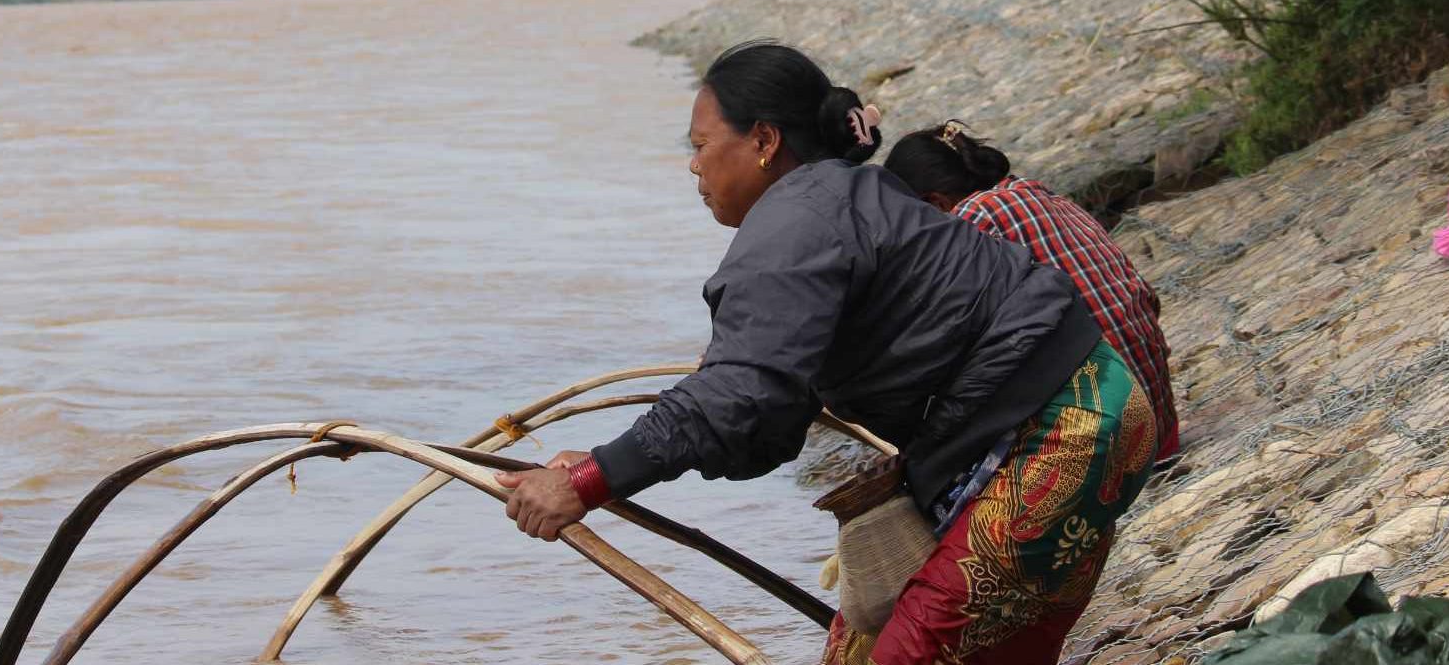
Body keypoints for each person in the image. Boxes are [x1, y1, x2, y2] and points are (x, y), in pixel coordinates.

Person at [496, 42, 1167, 665]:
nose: (693, 164)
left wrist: (588, 482)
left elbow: (738, 395)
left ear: (763, 139)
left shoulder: (797, 219)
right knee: (863, 648)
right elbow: (766, 419)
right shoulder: (840, 195)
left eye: (701, 144)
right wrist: (607, 462)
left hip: (1061, 430)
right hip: (1041, 420)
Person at [884, 121, 1178, 463]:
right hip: (1158, 420)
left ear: (934, 203)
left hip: (1110, 439)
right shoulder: (1032, 190)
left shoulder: (967, 224)